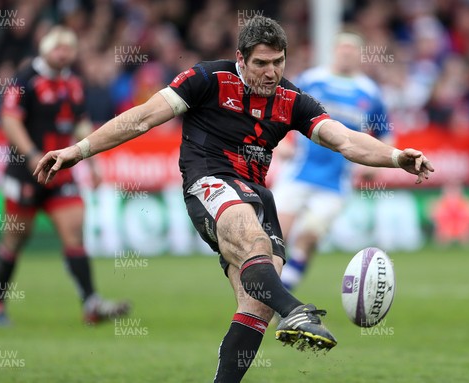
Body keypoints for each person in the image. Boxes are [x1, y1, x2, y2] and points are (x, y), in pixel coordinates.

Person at [33, 17, 433, 382]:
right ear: (241, 59)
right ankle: (296, 310)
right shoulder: (206, 79)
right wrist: (78, 150)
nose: (271, 71)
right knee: (254, 245)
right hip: (209, 182)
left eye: (278, 62)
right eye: (262, 63)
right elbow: (142, 118)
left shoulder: (292, 100)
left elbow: (346, 140)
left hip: (258, 193)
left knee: (256, 302)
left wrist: (397, 157)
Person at [0, 26, 130, 327]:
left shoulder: (73, 84)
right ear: (45, 49)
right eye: (58, 48)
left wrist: (91, 162)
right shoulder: (26, 79)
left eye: (68, 48)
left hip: (60, 174)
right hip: (25, 174)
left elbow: (78, 123)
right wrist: (30, 155)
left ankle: (91, 304)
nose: (63, 53)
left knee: (74, 233)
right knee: (15, 239)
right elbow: (10, 120)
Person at [272, 32, 391, 291]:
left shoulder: (370, 92)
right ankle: (269, 296)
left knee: (308, 237)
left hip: (335, 182)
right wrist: (281, 142)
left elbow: (385, 134)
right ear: (334, 51)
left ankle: (283, 293)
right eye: (342, 48)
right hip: (298, 172)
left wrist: (372, 165)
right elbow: (280, 111)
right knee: (276, 238)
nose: (346, 53)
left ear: (359, 55)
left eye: (352, 49)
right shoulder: (311, 80)